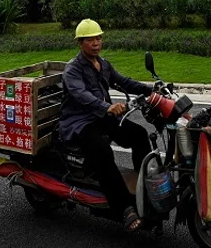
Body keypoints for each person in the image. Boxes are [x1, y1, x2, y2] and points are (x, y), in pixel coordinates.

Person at [58, 18, 153, 232]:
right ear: (80, 43)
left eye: (98, 38)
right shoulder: (72, 70)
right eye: (90, 39)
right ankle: (124, 209)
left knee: (138, 134)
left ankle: (143, 185)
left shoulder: (103, 63)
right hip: (79, 122)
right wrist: (106, 107)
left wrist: (151, 91)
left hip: (101, 117)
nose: (96, 42)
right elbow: (80, 95)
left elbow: (123, 81)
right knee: (101, 151)